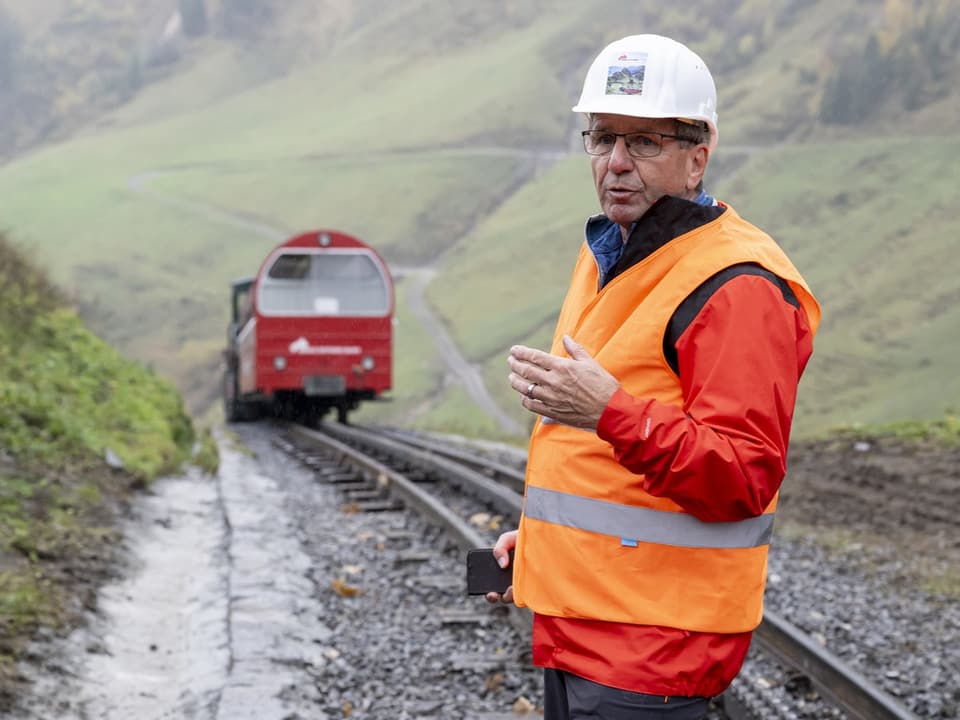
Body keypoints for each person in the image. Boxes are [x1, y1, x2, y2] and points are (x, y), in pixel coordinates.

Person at [485, 34, 821, 719]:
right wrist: (549, 545)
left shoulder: (735, 286)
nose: (615, 164)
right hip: (587, 626)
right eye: (602, 137)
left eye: (644, 143)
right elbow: (607, 477)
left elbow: (744, 474)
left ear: (699, 156)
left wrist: (610, 411)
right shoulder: (614, 250)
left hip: (653, 646)